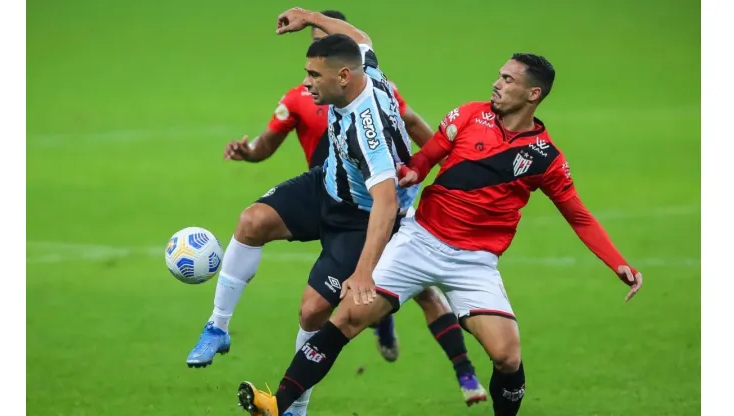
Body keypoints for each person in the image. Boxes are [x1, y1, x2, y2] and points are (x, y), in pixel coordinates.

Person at [236, 52, 644, 416]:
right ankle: (278, 405)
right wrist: (413, 170)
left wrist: (619, 263)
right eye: (499, 76)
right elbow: (429, 154)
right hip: (419, 240)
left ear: (533, 94)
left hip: (474, 262)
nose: (496, 84)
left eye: (508, 80)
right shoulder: (467, 115)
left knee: (506, 356)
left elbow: (578, 215)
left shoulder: (545, 158)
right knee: (346, 318)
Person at [189, 7, 487, 416]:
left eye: (314, 76)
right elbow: (359, 34)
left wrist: (363, 271)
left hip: (360, 220)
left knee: (313, 310)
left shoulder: (367, 132)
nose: (306, 83)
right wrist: (307, 15)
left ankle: (296, 406)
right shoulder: (364, 69)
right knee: (251, 221)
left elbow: (384, 201)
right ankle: (217, 327)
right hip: (326, 185)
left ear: (343, 77)